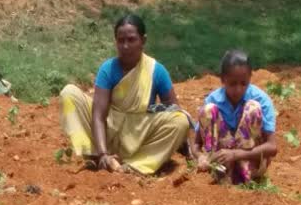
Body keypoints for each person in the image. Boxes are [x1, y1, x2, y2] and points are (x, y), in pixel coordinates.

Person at [59, 14, 191, 175]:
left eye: (131, 40)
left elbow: (173, 108)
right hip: (108, 131)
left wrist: (189, 148)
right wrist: (103, 153)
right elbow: (98, 115)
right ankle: (96, 157)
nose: (126, 46)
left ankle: (136, 165)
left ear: (143, 41)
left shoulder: (156, 70)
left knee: (180, 120)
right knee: (69, 94)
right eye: (121, 41)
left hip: (140, 133)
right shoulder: (108, 69)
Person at [193, 50, 278, 184]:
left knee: (253, 108)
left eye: (244, 83)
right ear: (222, 79)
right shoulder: (213, 99)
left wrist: (236, 154)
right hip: (221, 162)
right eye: (232, 84)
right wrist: (200, 157)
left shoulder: (261, 100)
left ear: (250, 78)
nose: (238, 89)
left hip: (251, 161)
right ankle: (219, 172)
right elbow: (196, 144)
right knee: (207, 110)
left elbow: (272, 147)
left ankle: (244, 175)